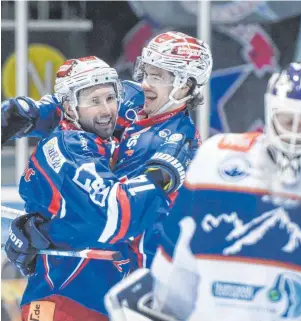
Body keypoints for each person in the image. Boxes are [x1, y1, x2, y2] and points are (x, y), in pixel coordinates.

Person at [104, 58, 301, 321]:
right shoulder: (217, 160)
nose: (295, 135)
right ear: (271, 112)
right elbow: (173, 284)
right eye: (287, 121)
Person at [2, 30, 213, 268]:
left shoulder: (174, 143)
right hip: (110, 265)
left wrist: (44, 234)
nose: (145, 83)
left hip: (142, 271)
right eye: (146, 72)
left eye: (158, 77)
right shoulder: (135, 98)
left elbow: (111, 215)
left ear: (184, 87)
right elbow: (76, 106)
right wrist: (30, 115)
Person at [4, 56, 191, 321]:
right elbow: (116, 215)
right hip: (64, 305)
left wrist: (37, 113)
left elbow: (133, 101)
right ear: (70, 106)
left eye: (110, 98)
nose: (106, 110)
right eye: (94, 101)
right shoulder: (71, 149)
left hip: (101, 303)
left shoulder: (108, 124)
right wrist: (161, 174)